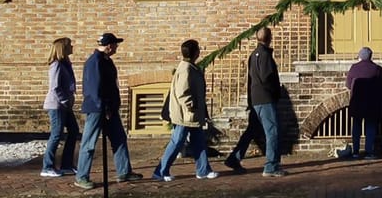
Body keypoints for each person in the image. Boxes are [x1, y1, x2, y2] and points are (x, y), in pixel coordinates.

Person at [74, 33, 142, 190]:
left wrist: (112, 106)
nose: (117, 48)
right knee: (89, 143)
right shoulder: (94, 62)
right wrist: (102, 107)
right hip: (97, 109)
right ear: (109, 46)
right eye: (115, 45)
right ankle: (81, 176)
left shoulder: (106, 61)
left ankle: (124, 170)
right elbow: (93, 89)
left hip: (110, 108)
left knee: (119, 138)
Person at [223, 26, 287, 177]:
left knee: (252, 130)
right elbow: (267, 78)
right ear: (269, 38)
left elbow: (251, 79)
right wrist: (275, 91)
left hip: (256, 99)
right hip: (265, 99)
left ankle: (234, 158)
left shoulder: (253, 55)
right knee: (272, 131)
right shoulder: (264, 55)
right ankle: (271, 166)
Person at [152, 39, 219, 181]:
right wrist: (192, 105)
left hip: (191, 115)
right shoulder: (186, 69)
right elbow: (183, 92)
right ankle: (161, 171)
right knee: (177, 142)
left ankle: (203, 170)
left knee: (199, 142)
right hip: (185, 115)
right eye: (198, 49)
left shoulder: (189, 67)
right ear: (195, 52)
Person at [41, 37, 79, 177]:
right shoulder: (56, 65)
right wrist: (65, 101)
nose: (72, 46)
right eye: (70, 45)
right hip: (57, 105)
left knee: (74, 131)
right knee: (56, 135)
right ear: (63, 48)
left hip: (65, 106)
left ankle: (67, 165)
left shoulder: (65, 64)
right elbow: (55, 88)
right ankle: (47, 166)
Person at [346, 46, 382, 159]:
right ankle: (369, 152)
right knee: (370, 127)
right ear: (370, 56)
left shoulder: (354, 68)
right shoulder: (378, 69)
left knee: (356, 127)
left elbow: (348, 85)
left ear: (360, 56)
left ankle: (355, 151)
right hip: (373, 103)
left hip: (357, 102)